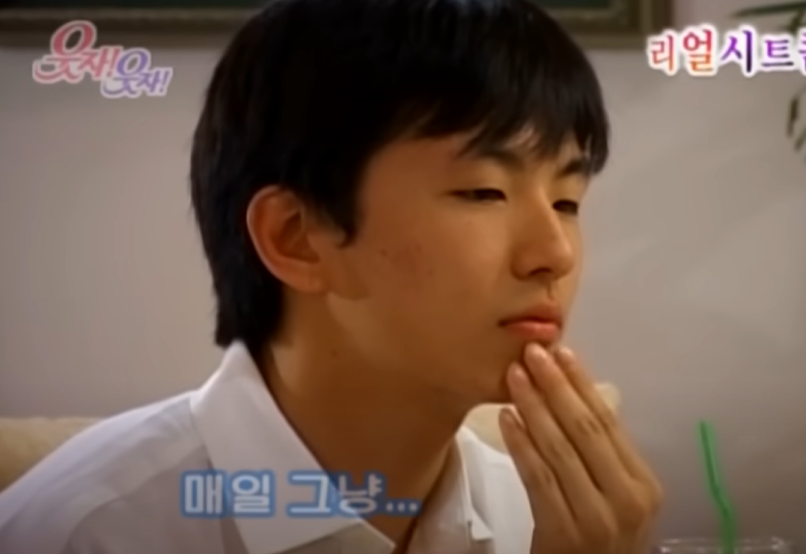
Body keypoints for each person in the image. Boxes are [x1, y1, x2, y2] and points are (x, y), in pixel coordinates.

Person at [0, 0, 663, 551]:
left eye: (567, 202)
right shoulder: (87, 532)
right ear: (296, 238)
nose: (556, 253)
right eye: (484, 192)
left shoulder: (550, 520)